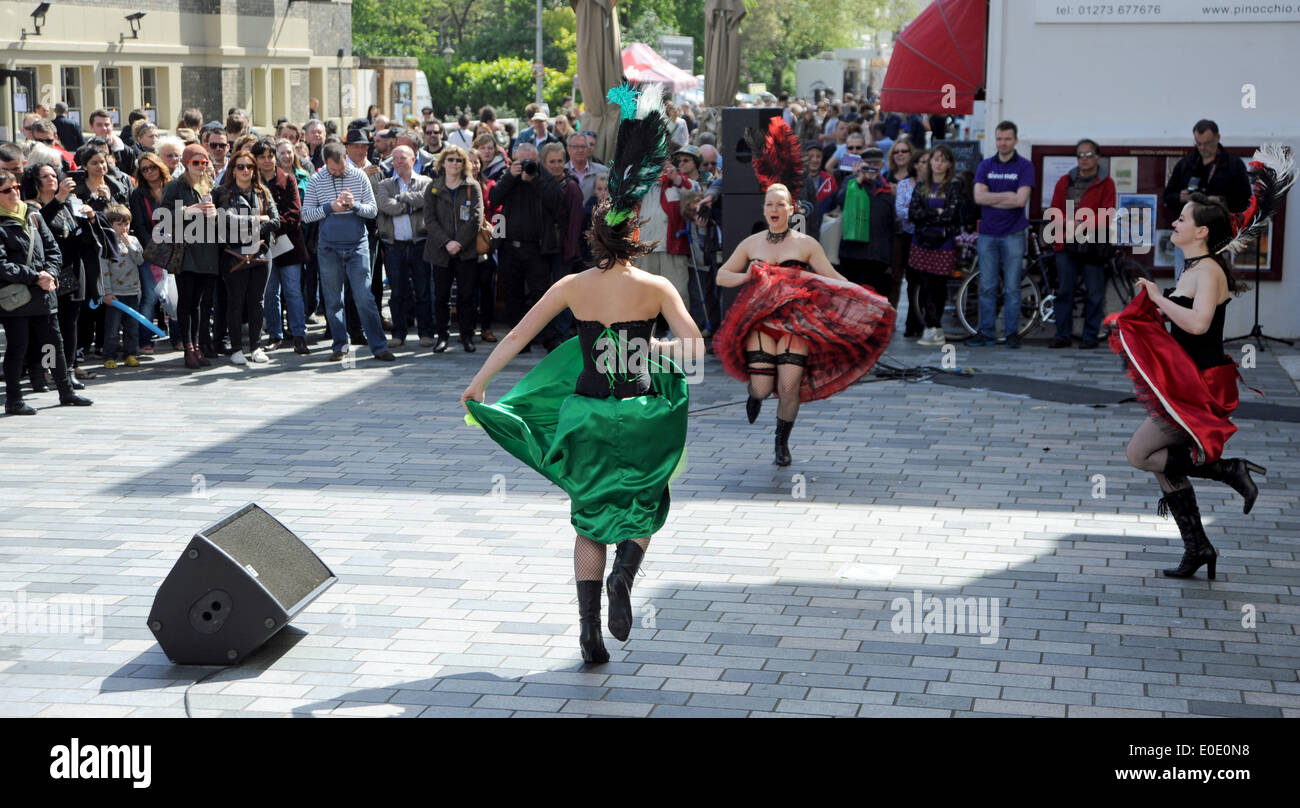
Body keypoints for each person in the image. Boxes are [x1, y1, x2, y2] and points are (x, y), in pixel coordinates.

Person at [461, 82, 702, 663]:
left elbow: (519, 335)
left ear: (596, 235)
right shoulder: (656, 285)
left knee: (590, 519)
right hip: (642, 413)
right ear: (636, 236)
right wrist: (654, 353)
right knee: (647, 499)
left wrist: (479, 386)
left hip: (588, 415)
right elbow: (694, 349)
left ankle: (589, 631)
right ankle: (626, 574)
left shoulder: (574, 286)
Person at [1112, 147, 1291, 579]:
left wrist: (1157, 299)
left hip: (1202, 385)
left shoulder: (1208, 271)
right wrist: (1152, 305)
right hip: (1185, 381)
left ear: (1201, 231)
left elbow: (1198, 324)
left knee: (1140, 453)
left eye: (1182, 219)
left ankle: (1230, 471)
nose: (1174, 222)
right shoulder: (1195, 265)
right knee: (1159, 461)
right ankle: (1199, 547)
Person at [1, 169, 92, 414]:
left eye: (17, 187)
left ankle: (65, 391)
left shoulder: (32, 215)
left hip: (44, 293)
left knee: (53, 343)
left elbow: (52, 248)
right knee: (18, 347)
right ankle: (14, 399)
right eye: (7, 190)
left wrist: (50, 273)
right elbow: (2, 265)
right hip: (16, 298)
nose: (15, 193)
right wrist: (35, 276)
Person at [300, 142, 395, 362]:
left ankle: (378, 345)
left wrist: (355, 206)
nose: (337, 173)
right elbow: (306, 215)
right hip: (329, 248)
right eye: (333, 170)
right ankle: (340, 345)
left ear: (345, 159)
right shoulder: (316, 180)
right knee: (334, 301)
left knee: (364, 297)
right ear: (325, 163)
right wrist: (329, 208)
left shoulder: (359, 177)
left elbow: (372, 211)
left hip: (357, 245)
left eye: (341, 169)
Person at [489, 142, 565, 353]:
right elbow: (494, 199)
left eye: (531, 160)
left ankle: (549, 337)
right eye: (523, 161)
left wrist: (534, 180)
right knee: (513, 295)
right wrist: (510, 177)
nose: (527, 164)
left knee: (542, 295)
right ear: (515, 160)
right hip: (509, 247)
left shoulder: (544, 176)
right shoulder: (509, 176)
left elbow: (557, 201)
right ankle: (519, 339)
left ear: (538, 159)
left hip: (537, 249)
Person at [970, 121, 1035, 348]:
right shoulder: (985, 166)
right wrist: (1008, 195)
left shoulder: (1025, 166)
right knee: (986, 286)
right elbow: (978, 198)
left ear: (1015, 140)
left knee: (1012, 288)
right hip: (988, 234)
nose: (1003, 143)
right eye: (999, 138)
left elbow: (1020, 200)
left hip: (1014, 234)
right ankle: (986, 332)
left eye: (1007, 138)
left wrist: (994, 196)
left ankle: (1011, 334)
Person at [1161, 120, 1253, 280]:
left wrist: (1220, 201)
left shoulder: (1233, 164)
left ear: (1218, 138)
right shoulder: (1186, 164)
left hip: (1217, 237)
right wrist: (1180, 198)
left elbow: (1245, 200)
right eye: (1199, 143)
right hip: (1187, 236)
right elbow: (1167, 197)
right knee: (1183, 285)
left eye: (1208, 143)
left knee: (1212, 286)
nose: (1203, 148)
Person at [1047, 139, 1116, 350]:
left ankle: (1090, 337)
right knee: (1065, 292)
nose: (1084, 159)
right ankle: (1062, 335)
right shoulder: (1065, 180)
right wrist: (1068, 224)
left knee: (1094, 293)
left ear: (1097, 157)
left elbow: (1108, 213)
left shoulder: (1106, 183)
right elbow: (1054, 210)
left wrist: (1082, 223)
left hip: (1092, 245)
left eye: (1088, 155)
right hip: (1066, 243)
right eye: (1080, 155)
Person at [213, 149, 280, 365]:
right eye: (240, 166)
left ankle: (256, 346)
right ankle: (235, 348)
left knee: (256, 302)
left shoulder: (262, 192)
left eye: (249, 166)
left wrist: (253, 226)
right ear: (233, 170)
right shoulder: (223, 193)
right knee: (235, 302)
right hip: (233, 254)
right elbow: (226, 220)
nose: (245, 170)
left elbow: (276, 221)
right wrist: (257, 220)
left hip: (260, 253)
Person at [162, 144, 222, 369]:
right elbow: (164, 216)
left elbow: (215, 220)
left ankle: (197, 346)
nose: (200, 166)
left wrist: (215, 215)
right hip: (186, 252)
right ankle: (188, 347)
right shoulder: (175, 186)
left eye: (204, 162)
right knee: (186, 303)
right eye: (196, 162)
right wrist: (190, 210)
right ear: (186, 163)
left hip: (207, 251)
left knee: (199, 304)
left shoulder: (209, 185)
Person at [251, 138, 309, 355]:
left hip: (288, 244)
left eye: (270, 156)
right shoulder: (252, 183)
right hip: (263, 244)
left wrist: (270, 225)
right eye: (262, 157)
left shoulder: (289, 180)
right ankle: (276, 335)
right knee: (270, 292)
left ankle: (299, 335)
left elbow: (295, 213)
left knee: (293, 290)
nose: (267, 161)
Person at [423, 145, 483, 353]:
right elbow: (429, 220)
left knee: (467, 296)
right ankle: (442, 336)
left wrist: (459, 243)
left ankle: (467, 336)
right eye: (451, 159)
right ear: (443, 162)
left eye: (459, 160)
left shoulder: (472, 186)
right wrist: (447, 242)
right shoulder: (433, 187)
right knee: (441, 296)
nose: (455, 164)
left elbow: (477, 218)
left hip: (466, 251)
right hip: (440, 251)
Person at [908, 145, 967, 347]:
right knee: (924, 285)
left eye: (943, 160)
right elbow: (913, 214)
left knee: (938, 286)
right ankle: (930, 327)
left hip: (943, 243)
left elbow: (952, 215)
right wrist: (936, 214)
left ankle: (935, 327)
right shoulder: (921, 186)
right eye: (935, 159)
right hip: (922, 241)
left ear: (949, 163)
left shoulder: (954, 186)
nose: (938, 163)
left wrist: (931, 215)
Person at [376, 145, 434, 349]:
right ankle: (398, 333)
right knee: (397, 293)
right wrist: (409, 204)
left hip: (420, 243)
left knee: (423, 291)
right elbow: (384, 205)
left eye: (402, 157)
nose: (398, 161)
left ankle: (426, 333)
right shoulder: (384, 184)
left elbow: (426, 199)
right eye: (395, 158)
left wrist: (401, 198)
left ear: (413, 158)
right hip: (394, 246)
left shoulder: (426, 181)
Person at [827, 146, 895, 296]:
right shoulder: (850, 182)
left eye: (876, 164)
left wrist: (889, 260)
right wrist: (858, 179)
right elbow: (840, 200)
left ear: (882, 166)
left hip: (877, 256)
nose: (872, 168)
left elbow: (891, 226)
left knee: (874, 299)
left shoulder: (887, 188)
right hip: (852, 254)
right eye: (868, 164)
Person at [128, 153, 172, 353]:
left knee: (174, 295)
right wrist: (154, 248)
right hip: (150, 251)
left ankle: (179, 338)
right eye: (144, 169)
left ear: (159, 167)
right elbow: (138, 224)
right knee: (150, 296)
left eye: (152, 167)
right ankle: (145, 339)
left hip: (175, 248)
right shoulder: (138, 194)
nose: (149, 172)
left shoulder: (173, 188)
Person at [96, 203, 145, 368]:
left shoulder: (134, 240)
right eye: (119, 224)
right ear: (110, 225)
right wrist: (107, 293)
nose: (124, 228)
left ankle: (130, 354)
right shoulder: (106, 243)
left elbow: (140, 260)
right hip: (115, 294)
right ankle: (109, 356)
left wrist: (129, 245)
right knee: (112, 328)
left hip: (132, 291)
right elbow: (104, 270)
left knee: (132, 326)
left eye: (126, 223)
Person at [893, 147, 928, 338]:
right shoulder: (905, 184)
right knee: (911, 281)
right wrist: (921, 215)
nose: (926, 165)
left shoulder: (933, 186)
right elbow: (900, 211)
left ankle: (921, 320)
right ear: (915, 164)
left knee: (925, 282)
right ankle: (910, 322)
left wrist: (917, 215)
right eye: (923, 161)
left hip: (926, 237)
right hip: (907, 236)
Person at [468, 150, 499, 345]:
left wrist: (496, 237)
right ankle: (467, 328)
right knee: (467, 289)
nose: (474, 165)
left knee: (487, 288)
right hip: (464, 243)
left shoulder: (491, 185)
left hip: (486, 242)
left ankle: (486, 327)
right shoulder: (458, 186)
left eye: (477, 161)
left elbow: (499, 213)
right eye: (470, 161)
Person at [564, 132, 606, 203]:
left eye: (583, 147)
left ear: (588, 149)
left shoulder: (602, 171)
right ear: (568, 150)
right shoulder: (562, 172)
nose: (580, 150)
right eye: (576, 147)